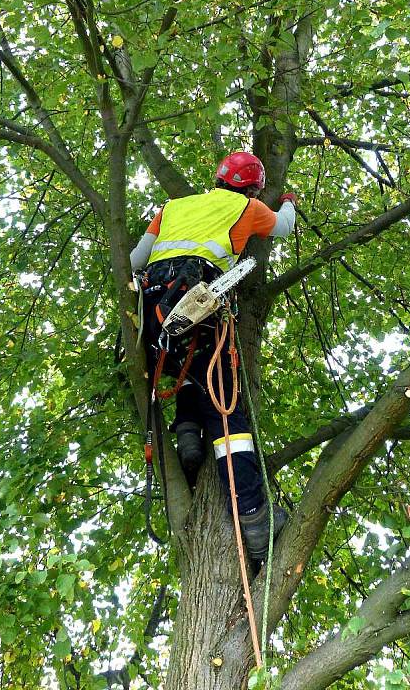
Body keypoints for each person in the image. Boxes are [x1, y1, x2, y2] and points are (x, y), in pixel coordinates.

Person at [130, 151, 297, 560]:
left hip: (154, 309)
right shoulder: (248, 206)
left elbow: (136, 259)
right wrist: (289, 200)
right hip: (196, 302)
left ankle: (187, 433)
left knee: (185, 367)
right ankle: (255, 518)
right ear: (253, 186)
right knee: (227, 411)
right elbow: (283, 228)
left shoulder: (172, 206)